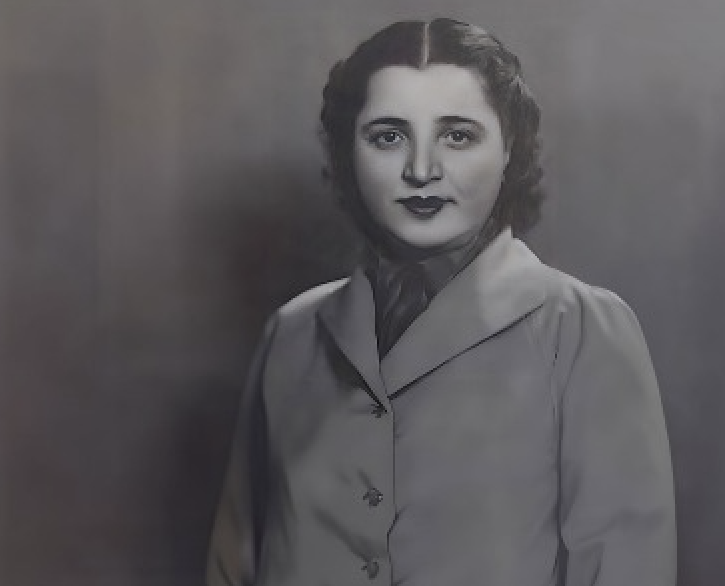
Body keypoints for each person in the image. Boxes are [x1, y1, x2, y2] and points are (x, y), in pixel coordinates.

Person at [206, 18, 675, 586]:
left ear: (509, 148)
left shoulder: (581, 329)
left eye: (457, 136)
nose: (421, 170)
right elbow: (234, 565)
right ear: (348, 151)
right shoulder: (293, 332)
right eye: (388, 137)